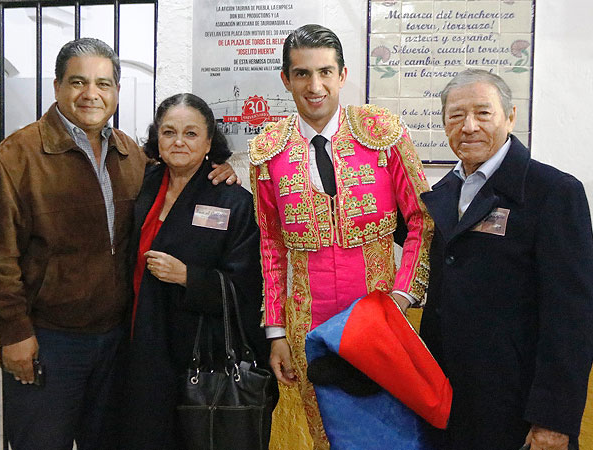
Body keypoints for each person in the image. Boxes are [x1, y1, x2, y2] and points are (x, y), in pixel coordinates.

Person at [0, 38, 237, 450]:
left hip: (118, 342)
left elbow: (177, 172)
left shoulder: (129, 155)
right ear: (57, 86)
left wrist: (218, 169)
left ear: (117, 91)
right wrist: (15, 333)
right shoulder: (17, 157)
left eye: (103, 83)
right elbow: (0, 255)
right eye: (78, 82)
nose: (91, 94)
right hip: (49, 341)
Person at [249, 24, 433, 449]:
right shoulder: (269, 150)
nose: (315, 86)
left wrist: (402, 297)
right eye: (302, 73)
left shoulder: (382, 132)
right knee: (327, 434)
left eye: (325, 72)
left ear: (343, 75)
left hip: (379, 316)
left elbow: (422, 219)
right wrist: (276, 332)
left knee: (386, 430)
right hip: (307, 325)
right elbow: (271, 245)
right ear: (286, 79)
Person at [420, 69, 593, 450]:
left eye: (483, 113)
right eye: (456, 115)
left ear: (510, 117)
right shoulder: (443, 193)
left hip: (519, 412)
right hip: (447, 405)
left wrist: (553, 420)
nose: (468, 127)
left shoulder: (553, 192)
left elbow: (572, 318)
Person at [119, 93, 272, 449]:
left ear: (208, 142)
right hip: (139, 345)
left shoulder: (231, 200)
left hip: (199, 357)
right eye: (169, 132)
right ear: (157, 138)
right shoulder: (142, 184)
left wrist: (189, 277)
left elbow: (247, 288)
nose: (179, 142)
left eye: (190, 133)